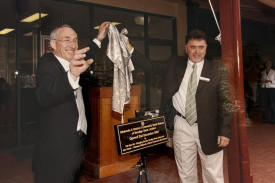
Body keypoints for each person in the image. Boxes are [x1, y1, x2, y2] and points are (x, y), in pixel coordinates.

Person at [127, 29, 233, 183]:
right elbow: (149, 66)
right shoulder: (174, 64)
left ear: (206, 48)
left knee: (213, 174)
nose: (197, 52)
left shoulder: (217, 70)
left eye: (201, 47)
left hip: (210, 127)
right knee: (186, 172)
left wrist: (225, 131)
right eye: (193, 47)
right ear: (186, 48)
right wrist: (129, 47)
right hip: (182, 125)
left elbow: (225, 102)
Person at [32, 22, 110, 183]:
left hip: (78, 140)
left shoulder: (74, 61)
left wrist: (99, 37)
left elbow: (88, 54)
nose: (72, 45)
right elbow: (44, 96)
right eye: (66, 40)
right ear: (53, 43)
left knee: (74, 177)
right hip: (56, 147)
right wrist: (72, 75)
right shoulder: (47, 63)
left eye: (75, 40)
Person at [260, 60, 275, 124]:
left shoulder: (274, 72)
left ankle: (273, 119)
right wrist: (262, 82)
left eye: (270, 63)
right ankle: (266, 119)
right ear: (265, 64)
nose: (269, 64)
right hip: (264, 89)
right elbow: (261, 81)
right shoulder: (263, 72)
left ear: (271, 64)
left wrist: (270, 81)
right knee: (265, 104)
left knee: (272, 104)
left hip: (272, 89)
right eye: (267, 63)